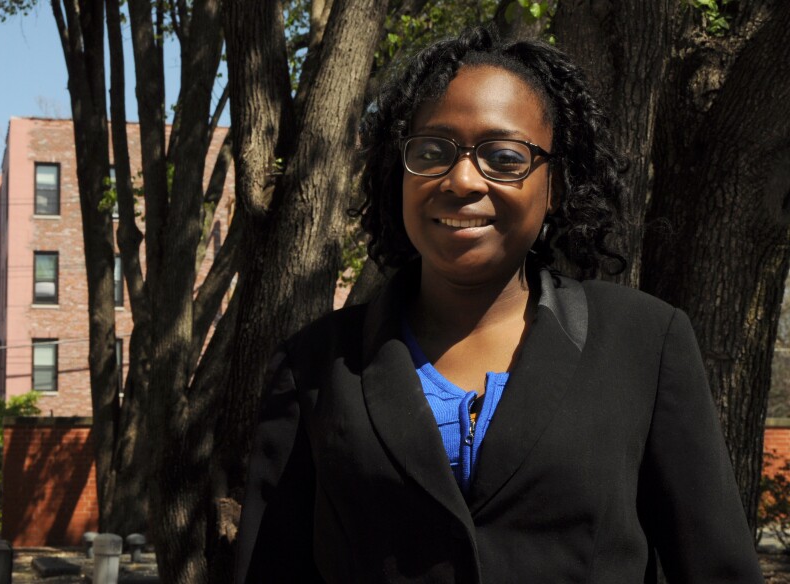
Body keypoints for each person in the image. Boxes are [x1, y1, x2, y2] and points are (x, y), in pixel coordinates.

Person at [234, 25, 763, 583]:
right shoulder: (316, 365)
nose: (462, 179)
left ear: (555, 182)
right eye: (432, 151)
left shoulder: (645, 344)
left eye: (504, 156)